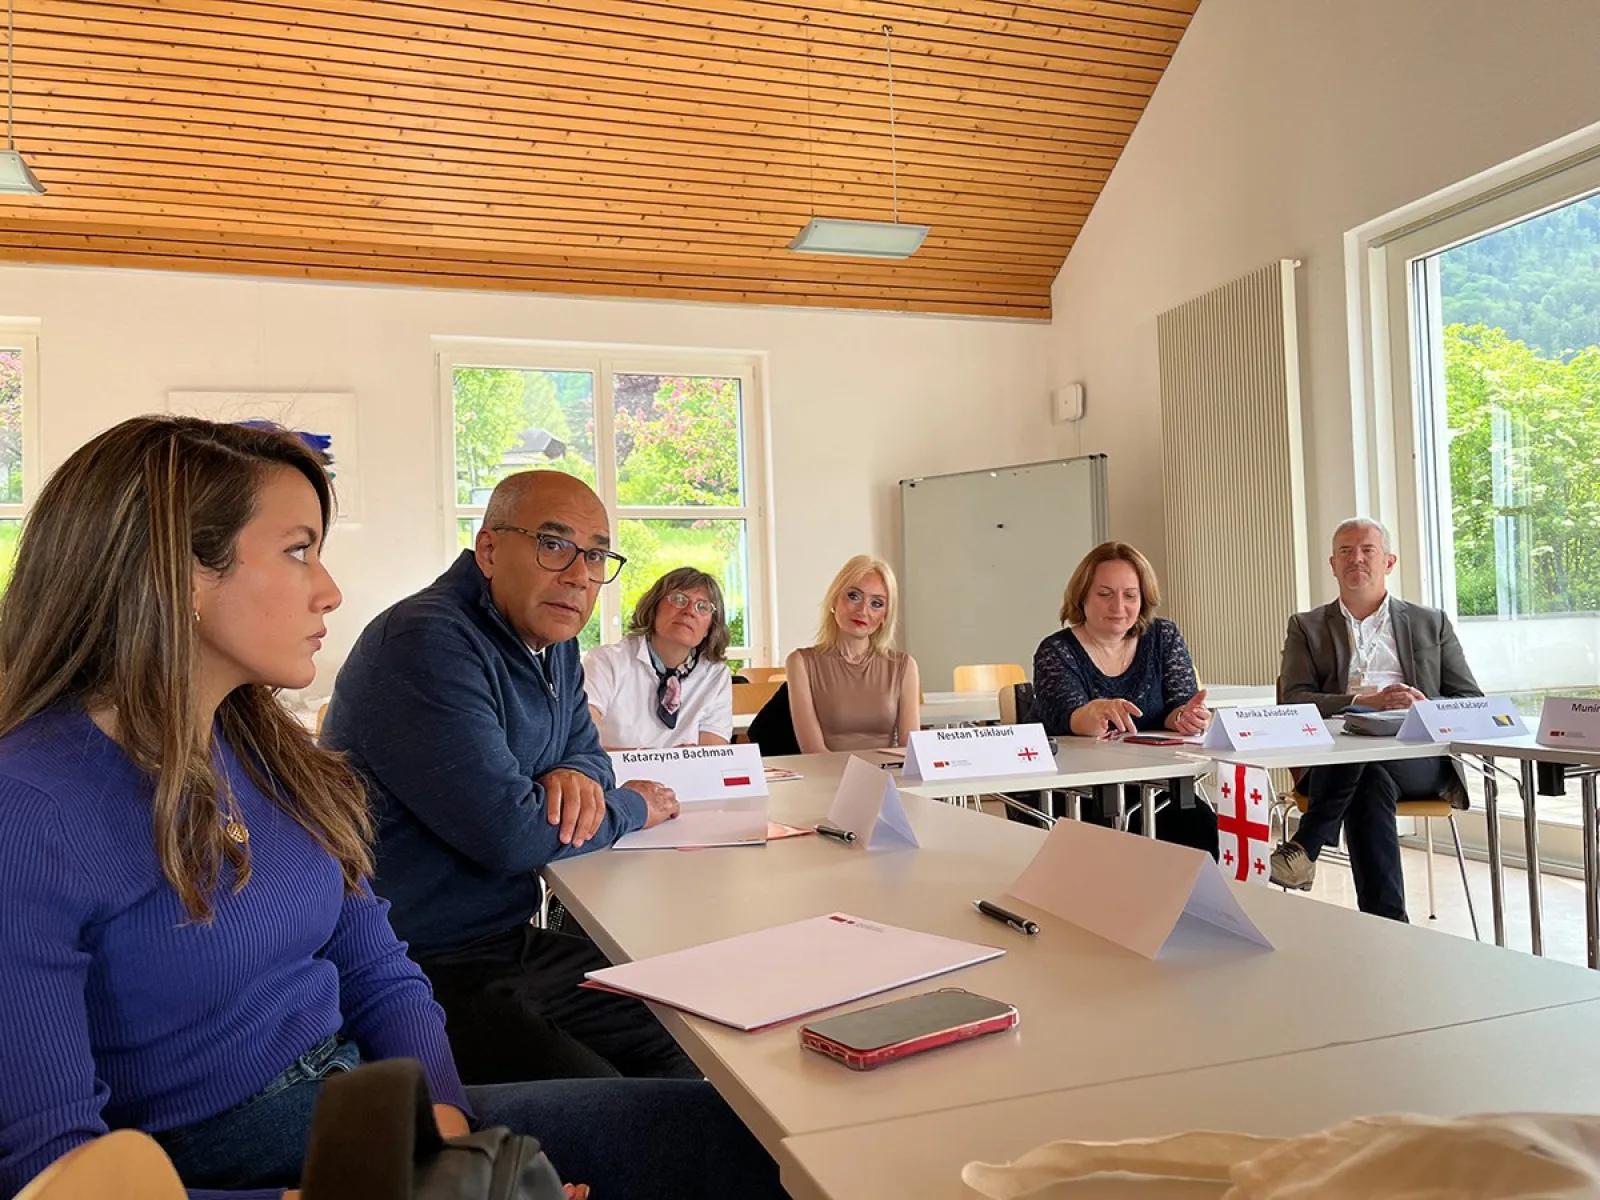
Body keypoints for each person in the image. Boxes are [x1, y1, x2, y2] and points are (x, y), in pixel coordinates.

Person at [0, 417, 785, 1200]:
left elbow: (375, 966)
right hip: (234, 1155)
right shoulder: (29, 810)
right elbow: (51, 1173)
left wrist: (447, 1137)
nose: (330, 590)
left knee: (754, 1140)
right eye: (299, 550)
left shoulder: (265, 752)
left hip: (365, 1105)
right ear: (177, 571)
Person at [321, 471, 698, 1086]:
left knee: (695, 1037)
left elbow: (587, 749)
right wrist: (631, 806)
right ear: (490, 550)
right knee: (610, 1103)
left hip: (505, 938)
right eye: (554, 544)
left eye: (596, 555)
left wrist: (575, 770)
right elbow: (511, 835)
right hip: (411, 959)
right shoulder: (425, 641)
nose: (578, 575)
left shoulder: (554, 638)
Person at [1271, 518, 1482, 921]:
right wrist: (1360, 702)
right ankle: (1390, 927)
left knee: (1364, 767)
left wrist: (1424, 705)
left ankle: (1306, 846)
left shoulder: (1430, 622)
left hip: (1415, 758)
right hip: (1334, 758)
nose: (1357, 558)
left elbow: (1470, 700)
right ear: (1333, 564)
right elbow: (1294, 701)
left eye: (1367, 550)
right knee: (1367, 779)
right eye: (1346, 551)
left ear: (1389, 561)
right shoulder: (1306, 626)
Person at [1032, 541, 1217, 853]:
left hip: (1153, 784)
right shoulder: (1056, 650)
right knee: (1109, 848)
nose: (1118, 606)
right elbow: (1070, 717)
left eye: (1130, 595)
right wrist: (1096, 712)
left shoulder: (1164, 637)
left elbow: (1178, 706)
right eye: (1105, 594)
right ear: (1082, 596)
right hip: (1075, 789)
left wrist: (1185, 718)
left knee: (1201, 828)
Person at [583, 568, 734, 749]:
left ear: (709, 628)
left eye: (702, 607)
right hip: (612, 769)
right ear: (654, 608)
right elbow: (583, 744)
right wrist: (656, 760)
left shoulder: (716, 675)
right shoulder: (605, 661)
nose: (689, 611)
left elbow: (714, 754)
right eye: (679, 599)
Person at [785, 555, 921, 752]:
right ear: (834, 600)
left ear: (885, 615)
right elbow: (813, 751)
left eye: (877, 603)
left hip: (887, 770)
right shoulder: (800, 662)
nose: (863, 611)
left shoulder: (905, 665)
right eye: (854, 596)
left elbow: (909, 748)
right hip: (826, 770)